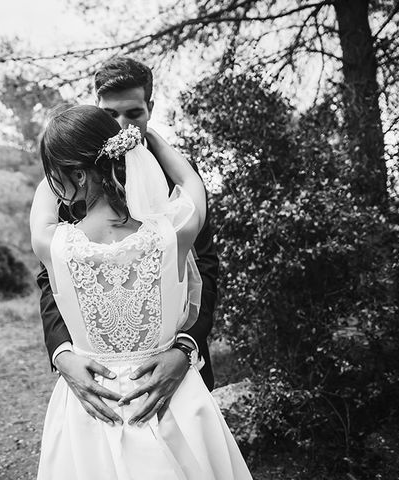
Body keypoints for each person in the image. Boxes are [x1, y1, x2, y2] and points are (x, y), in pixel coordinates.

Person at [31, 105, 251, 479]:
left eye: (56, 175)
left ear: (76, 174)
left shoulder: (51, 243)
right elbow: (190, 182)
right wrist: (150, 142)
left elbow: (45, 204)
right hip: (173, 403)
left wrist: (68, 164)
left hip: (92, 406)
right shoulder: (173, 232)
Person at [36, 57, 219, 429]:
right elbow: (47, 284)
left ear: (150, 107)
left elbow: (208, 269)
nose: (122, 127)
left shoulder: (52, 225)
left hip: (177, 374)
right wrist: (62, 354)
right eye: (110, 115)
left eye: (133, 113)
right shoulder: (179, 216)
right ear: (97, 112)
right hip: (90, 380)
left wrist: (186, 349)